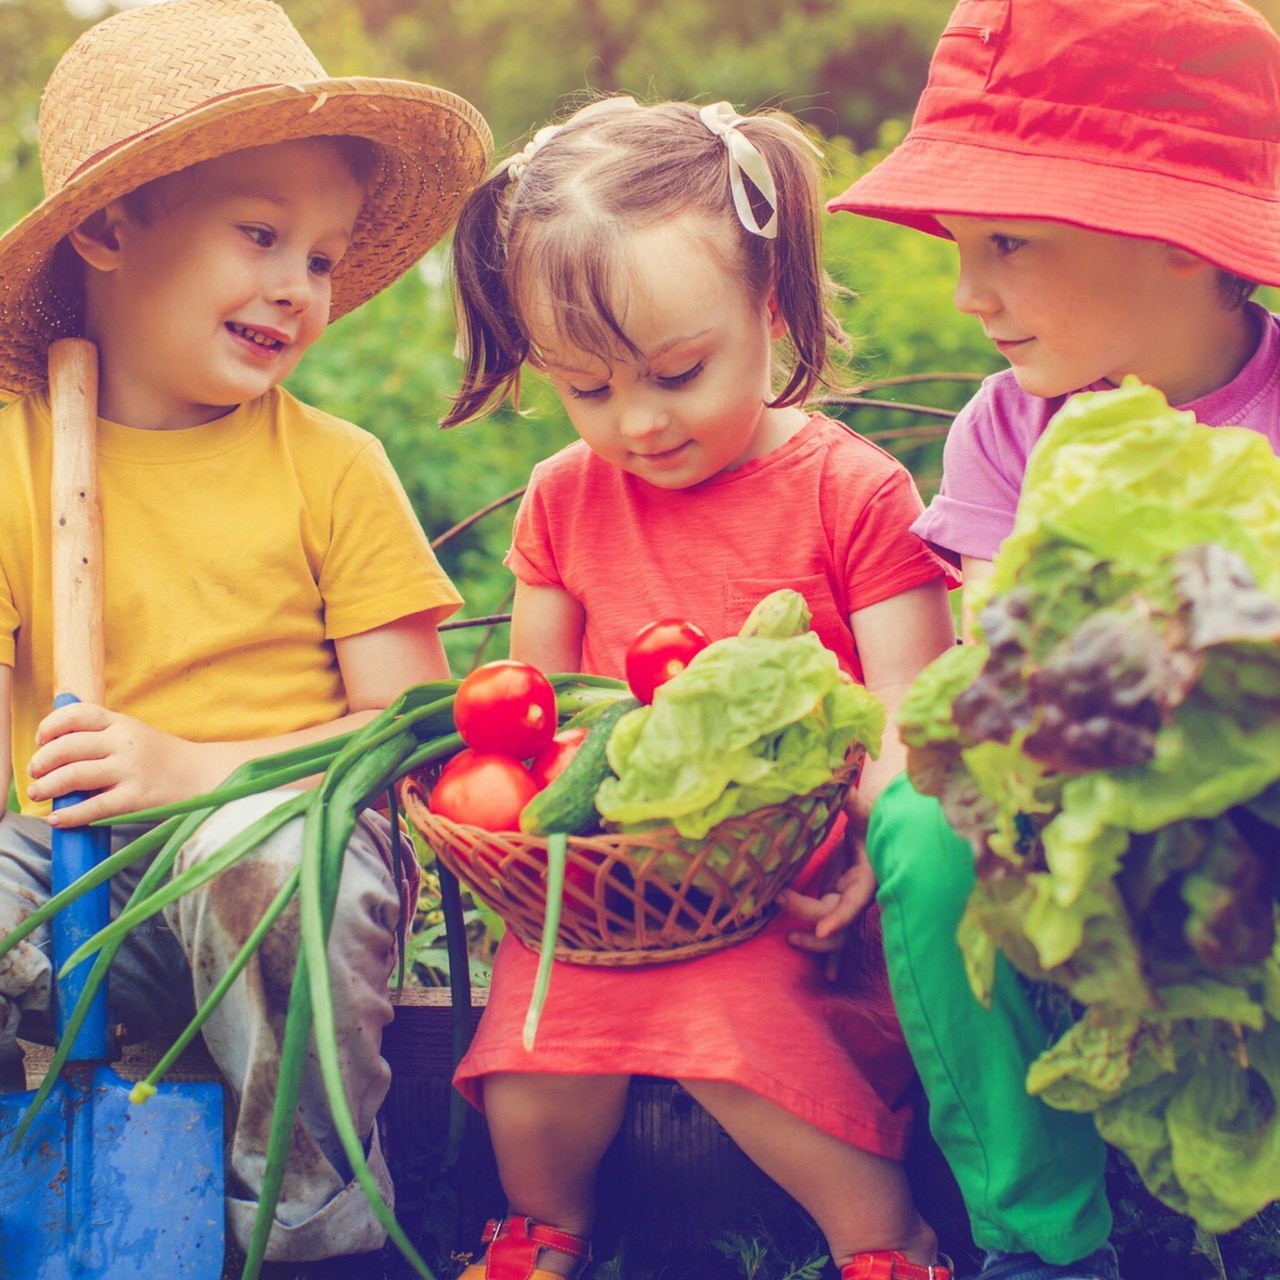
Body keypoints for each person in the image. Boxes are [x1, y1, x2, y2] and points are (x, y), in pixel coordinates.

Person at [0, 0, 490, 1272]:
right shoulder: (11, 456)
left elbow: (410, 731)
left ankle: (314, 1226)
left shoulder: (332, 468)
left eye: (320, 257)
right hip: (61, 872)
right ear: (110, 228)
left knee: (264, 858)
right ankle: (48, 1190)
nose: (296, 286)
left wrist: (196, 770)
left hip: (275, 862)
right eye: (261, 235)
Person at [443, 96, 959, 1280]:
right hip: (614, 886)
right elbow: (544, 721)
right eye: (583, 388)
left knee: (742, 1039)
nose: (634, 420)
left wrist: (880, 839)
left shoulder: (853, 492)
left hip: (789, 881)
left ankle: (884, 1239)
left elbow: (908, 710)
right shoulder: (564, 497)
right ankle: (541, 1224)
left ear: (766, 310)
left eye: (677, 371)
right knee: (535, 1055)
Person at [825, 1, 1280, 1277]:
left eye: (1008, 243)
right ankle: (1038, 1232)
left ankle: (1252, 1201)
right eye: (964, 245)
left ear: (1179, 242)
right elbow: (996, 675)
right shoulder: (1008, 425)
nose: (967, 291)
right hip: (1066, 791)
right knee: (919, 827)